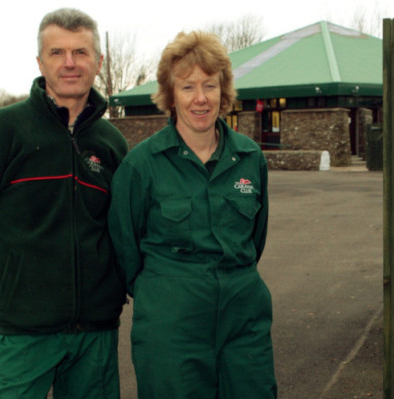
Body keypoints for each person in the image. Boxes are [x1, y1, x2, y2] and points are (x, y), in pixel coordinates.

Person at [0, 8, 128, 398]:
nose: (69, 63)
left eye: (80, 52)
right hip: (25, 332)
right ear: (39, 61)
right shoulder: (4, 128)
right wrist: (3, 287)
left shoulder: (111, 143)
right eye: (57, 52)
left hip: (96, 332)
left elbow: (125, 228)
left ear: (98, 61)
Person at [108, 31, 277, 398]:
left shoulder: (250, 158)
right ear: (171, 96)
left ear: (223, 91)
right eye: (187, 87)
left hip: (242, 318)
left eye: (210, 86)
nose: (200, 98)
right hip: (171, 323)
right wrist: (167, 289)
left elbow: (255, 239)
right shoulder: (141, 166)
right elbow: (125, 250)